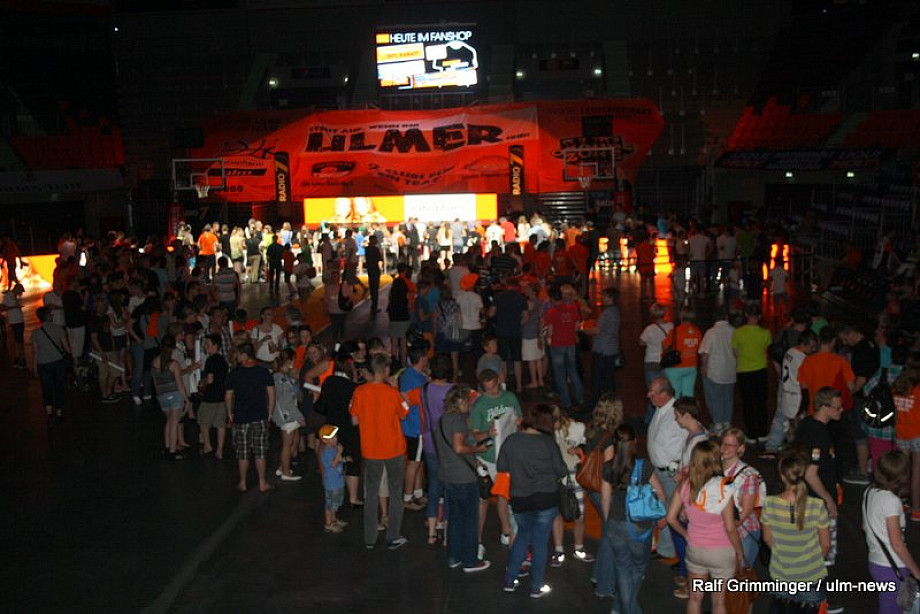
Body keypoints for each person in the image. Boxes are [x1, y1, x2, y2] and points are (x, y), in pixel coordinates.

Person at [498, 404, 568, 598]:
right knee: (540, 543)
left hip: (520, 498)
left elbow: (502, 466)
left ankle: (510, 580)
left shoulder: (511, 440)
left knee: (522, 536)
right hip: (546, 498)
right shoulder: (548, 443)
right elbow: (561, 470)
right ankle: (536, 587)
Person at [666, 440, 744, 614]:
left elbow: (670, 518)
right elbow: (730, 527)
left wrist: (685, 535)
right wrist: (739, 551)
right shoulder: (724, 486)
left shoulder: (686, 484)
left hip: (695, 548)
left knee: (694, 598)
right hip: (721, 551)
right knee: (719, 602)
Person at [599, 424, 667, 614]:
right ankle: (628, 609)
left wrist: (609, 521)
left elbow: (605, 499)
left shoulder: (608, 467)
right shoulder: (643, 466)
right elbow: (661, 494)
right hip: (639, 526)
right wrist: (658, 515)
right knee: (638, 568)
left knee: (622, 568)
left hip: (615, 523)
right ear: (635, 442)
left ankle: (619, 607)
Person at [349, 352, 410, 550]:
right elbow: (404, 413)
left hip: (371, 450)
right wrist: (397, 389)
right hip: (393, 449)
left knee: (371, 493)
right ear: (386, 370)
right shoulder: (392, 393)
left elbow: (354, 420)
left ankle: (370, 538)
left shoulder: (360, 392)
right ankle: (393, 536)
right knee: (395, 492)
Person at [761, 450, 831, 612]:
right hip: (811, 575)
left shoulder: (770, 504)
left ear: (782, 476)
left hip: (781, 573)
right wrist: (813, 561)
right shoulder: (817, 505)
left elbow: (767, 538)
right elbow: (826, 544)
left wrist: (782, 553)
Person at [435, 384, 493, 572]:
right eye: (468, 401)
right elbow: (459, 447)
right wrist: (478, 449)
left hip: (448, 475)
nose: (470, 404)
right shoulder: (459, 421)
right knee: (469, 520)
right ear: (460, 402)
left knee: (455, 518)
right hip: (464, 477)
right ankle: (470, 560)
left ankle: (453, 556)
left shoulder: (443, 420)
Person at [470, 368, 522, 555]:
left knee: (504, 495)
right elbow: (475, 435)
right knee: (483, 500)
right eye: (487, 389)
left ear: (498, 381)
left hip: (508, 456)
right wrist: (488, 433)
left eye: (493, 387)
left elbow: (519, 417)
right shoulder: (479, 405)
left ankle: (506, 531)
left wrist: (518, 422)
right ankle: (476, 540)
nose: (491, 391)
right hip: (488, 458)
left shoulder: (510, 398)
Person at [863, 451, 920, 614]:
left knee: (890, 604)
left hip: (875, 562)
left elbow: (864, 526)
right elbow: (897, 545)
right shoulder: (891, 501)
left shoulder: (869, 492)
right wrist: (916, 572)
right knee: (892, 608)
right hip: (892, 567)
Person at [794, 386, 843, 571]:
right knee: (824, 546)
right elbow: (811, 472)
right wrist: (828, 499)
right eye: (837, 407)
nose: (841, 410)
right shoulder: (819, 435)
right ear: (824, 407)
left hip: (804, 496)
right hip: (818, 499)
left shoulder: (806, 424)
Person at [225, 343, 276, 493]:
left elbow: (228, 396)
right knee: (260, 451)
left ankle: (242, 482)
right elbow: (271, 395)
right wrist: (270, 413)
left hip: (241, 417)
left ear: (244, 355)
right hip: (260, 416)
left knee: (243, 451)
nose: (236, 357)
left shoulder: (234, 373)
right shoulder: (263, 372)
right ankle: (262, 483)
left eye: (238, 354)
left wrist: (229, 412)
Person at [762, 330, 817, 459]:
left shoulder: (789, 352)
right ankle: (795, 455)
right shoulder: (803, 359)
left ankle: (772, 446)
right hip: (795, 395)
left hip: (785, 391)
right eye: (812, 346)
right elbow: (804, 382)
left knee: (780, 419)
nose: (813, 349)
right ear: (804, 344)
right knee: (795, 427)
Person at [315, 352, 361, 507]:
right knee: (352, 460)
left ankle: (328, 486)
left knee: (329, 457)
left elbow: (320, 406)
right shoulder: (354, 387)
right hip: (350, 427)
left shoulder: (329, 381)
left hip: (332, 426)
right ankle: (353, 498)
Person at [550, 405, 593, 566]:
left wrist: (578, 450)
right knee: (557, 514)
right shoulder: (548, 432)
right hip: (557, 478)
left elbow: (588, 447)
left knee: (579, 514)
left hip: (576, 476)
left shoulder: (577, 427)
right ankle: (559, 550)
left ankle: (579, 547)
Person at [646, 377, 683, 559]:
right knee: (662, 509)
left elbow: (692, 438)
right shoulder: (660, 410)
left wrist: (680, 467)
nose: (648, 395)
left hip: (671, 473)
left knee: (670, 512)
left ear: (665, 394)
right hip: (658, 471)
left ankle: (668, 549)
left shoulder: (678, 413)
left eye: (653, 392)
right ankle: (665, 547)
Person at [720, 428, 764, 571]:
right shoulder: (714, 468)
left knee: (741, 574)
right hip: (722, 530)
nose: (725, 448)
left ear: (740, 448)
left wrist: (727, 529)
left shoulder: (748, 475)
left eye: (730, 445)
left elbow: (746, 511)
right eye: (723, 443)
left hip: (742, 532)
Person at [732, 301, 772, 441]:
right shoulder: (765, 333)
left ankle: (752, 433)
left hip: (744, 370)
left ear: (746, 314)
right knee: (761, 402)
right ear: (759, 316)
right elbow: (766, 350)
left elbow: (735, 353)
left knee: (748, 403)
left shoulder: (738, 333)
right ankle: (763, 432)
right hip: (760, 369)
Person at [151, 335, 193, 460]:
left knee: (169, 421)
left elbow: (155, 381)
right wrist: (187, 400)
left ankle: (167, 446)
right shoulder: (174, 364)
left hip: (161, 395)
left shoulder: (154, 361)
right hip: (174, 395)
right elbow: (180, 385)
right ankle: (173, 451)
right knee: (174, 423)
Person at [543, 286, 584, 412]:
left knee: (560, 374)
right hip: (570, 343)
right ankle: (580, 397)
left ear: (552, 299)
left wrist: (548, 339)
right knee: (572, 370)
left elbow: (550, 330)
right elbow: (577, 326)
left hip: (557, 344)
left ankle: (566, 401)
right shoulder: (573, 309)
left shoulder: (551, 312)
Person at [698, 307, 736, 433]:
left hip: (715, 370)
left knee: (715, 397)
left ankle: (718, 423)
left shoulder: (711, 332)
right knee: (728, 397)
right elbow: (737, 351)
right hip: (730, 370)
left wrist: (704, 366)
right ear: (726, 317)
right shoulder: (733, 331)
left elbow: (705, 352)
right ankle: (727, 422)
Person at [30, 306, 71, 422]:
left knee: (46, 388)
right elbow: (66, 348)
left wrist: (34, 367)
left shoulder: (36, 333)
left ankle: (49, 412)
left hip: (43, 363)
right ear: (48, 316)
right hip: (58, 362)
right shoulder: (59, 329)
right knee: (59, 387)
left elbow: (35, 352)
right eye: (51, 314)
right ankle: (59, 412)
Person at [892, 360, 920, 520]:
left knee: (902, 470)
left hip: (900, 433)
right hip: (917, 433)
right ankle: (916, 509)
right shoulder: (917, 389)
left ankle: (899, 503)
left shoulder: (897, 387)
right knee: (916, 472)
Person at [272, 348, 305, 482]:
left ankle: (282, 467)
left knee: (294, 441)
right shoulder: (280, 379)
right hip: (287, 416)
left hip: (290, 414)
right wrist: (299, 417)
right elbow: (286, 402)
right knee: (287, 444)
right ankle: (286, 472)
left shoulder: (285, 376)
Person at [585, 286, 621, 406]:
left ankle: (594, 404)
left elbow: (597, 330)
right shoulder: (615, 311)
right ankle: (610, 403)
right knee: (608, 378)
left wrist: (583, 329)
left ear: (610, 298)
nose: (602, 298)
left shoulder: (607, 313)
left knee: (597, 379)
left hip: (602, 349)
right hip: (611, 348)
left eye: (604, 296)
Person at [639, 302, 672, 424]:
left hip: (651, 362)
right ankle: (666, 415)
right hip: (666, 362)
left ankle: (650, 418)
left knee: (653, 391)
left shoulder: (649, 329)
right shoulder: (671, 326)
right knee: (665, 390)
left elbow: (641, 342)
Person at [197, 333, 229, 459]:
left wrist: (202, 382)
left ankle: (207, 445)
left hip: (210, 396)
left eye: (208, 344)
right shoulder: (223, 360)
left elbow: (210, 379)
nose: (206, 347)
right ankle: (220, 450)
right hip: (221, 395)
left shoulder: (210, 360)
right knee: (221, 424)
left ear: (215, 346)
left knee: (203, 422)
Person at [663, 306, 702, 398]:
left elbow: (665, 346)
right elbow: (700, 348)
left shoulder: (675, 331)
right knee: (688, 393)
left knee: (674, 394)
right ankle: (687, 407)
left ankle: (675, 407)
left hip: (675, 366)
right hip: (691, 365)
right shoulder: (697, 331)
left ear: (681, 316)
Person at [318, 424, 348, 533]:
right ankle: (329, 523)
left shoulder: (334, 449)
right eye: (332, 437)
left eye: (335, 436)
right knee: (330, 504)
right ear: (325, 440)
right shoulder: (326, 452)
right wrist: (339, 452)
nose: (336, 439)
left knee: (335, 503)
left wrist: (344, 459)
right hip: (331, 483)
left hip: (338, 481)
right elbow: (333, 464)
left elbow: (338, 460)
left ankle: (334, 520)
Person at [387, 263, 414, 365]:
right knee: (403, 342)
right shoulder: (406, 294)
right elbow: (409, 306)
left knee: (394, 343)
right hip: (404, 317)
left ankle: (394, 362)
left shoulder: (392, 295)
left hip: (394, 317)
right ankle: (403, 363)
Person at [2, 283, 25, 368]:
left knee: (18, 340)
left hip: (18, 320)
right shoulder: (8, 296)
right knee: (19, 341)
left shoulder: (15, 297)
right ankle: (21, 359)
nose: (20, 293)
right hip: (15, 321)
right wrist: (15, 307)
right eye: (20, 291)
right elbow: (3, 307)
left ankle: (18, 358)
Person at [365, 234, 383, 313]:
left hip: (370, 269)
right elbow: (380, 259)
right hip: (375, 269)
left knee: (372, 287)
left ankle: (373, 305)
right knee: (375, 288)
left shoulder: (367, 249)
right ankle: (374, 306)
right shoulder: (375, 249)